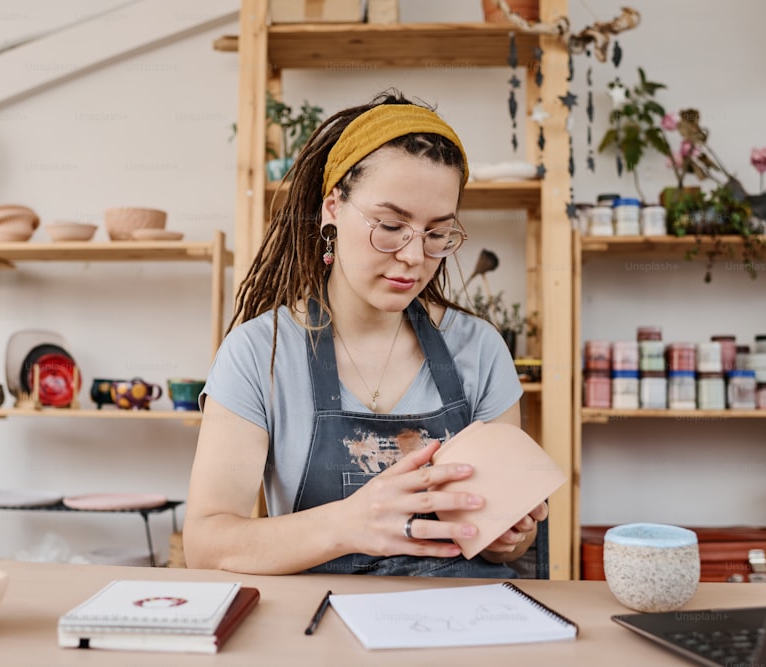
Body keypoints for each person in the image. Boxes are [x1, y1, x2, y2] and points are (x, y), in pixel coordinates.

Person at [183, 91, 548, 578]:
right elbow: (207, 544)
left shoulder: (479, 350)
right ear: (332, 207)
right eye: (391, 225)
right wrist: (350, 522)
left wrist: (508, 534)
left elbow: (502, 546)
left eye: (437, 233)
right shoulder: (259, 354)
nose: (414, 257)